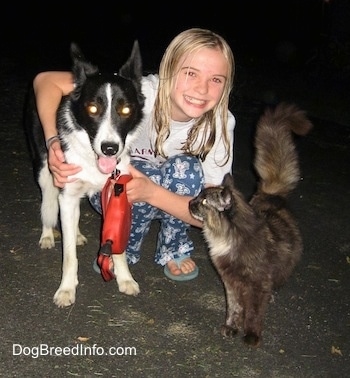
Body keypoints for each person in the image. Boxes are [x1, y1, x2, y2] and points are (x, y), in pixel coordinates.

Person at [33, 28, 236, 281]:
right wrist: (53, 142)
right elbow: (45, 81)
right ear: (169, 70)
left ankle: (173, 247)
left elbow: (215, 215)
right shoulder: (136, 93)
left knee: (185, 168)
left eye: (216, 79)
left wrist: (151, 191)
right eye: (191, 73)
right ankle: (122, 242)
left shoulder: (219, 125)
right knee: (132, 170)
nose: (202, 88)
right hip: (114, 196)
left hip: (176, 201)